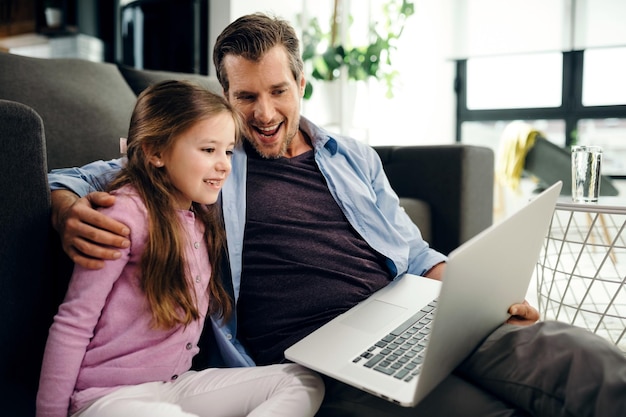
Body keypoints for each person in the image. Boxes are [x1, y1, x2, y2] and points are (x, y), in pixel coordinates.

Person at [47, 13, 626, 417]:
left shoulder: (353, 156)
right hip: (324, 355)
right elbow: (80, 175)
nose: (265, 113)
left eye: (278, 91)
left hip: (415, 316)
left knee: (585, 359)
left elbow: (415, 254)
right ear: (226, 97)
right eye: (245, 98)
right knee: (489, 410)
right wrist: (64, 209)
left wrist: (479, 301)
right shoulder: (206, 164)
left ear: (301, 82)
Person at [37, 80, 324, 417]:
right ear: (156, 152)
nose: (224, 165)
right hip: (108, 397)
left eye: (228, 151)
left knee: (302, 380)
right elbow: (73, 322)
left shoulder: (201, 219)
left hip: (175, 386)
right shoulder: (123, 215)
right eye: (208, 150)